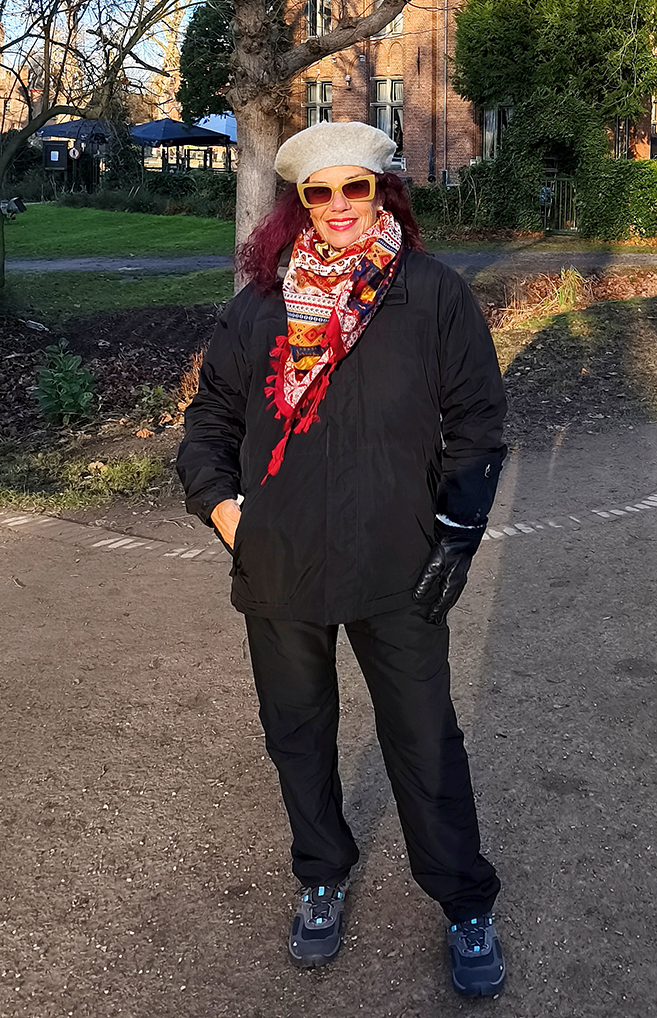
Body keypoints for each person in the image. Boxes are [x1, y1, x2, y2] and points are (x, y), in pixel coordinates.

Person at [177, 122, 507, 997]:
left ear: (381, 190)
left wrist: (458, 531)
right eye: (317, 193)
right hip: (280, 563)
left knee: (425, 738)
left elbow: (478, 423)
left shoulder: (432, 296)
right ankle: (321, 874)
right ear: (299, 204)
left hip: (399, 562)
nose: (336, 207)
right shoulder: (258, 307)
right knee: (297, 733)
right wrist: (227, 514)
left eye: (352, 188)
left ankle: (464, 901)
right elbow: (209, 424)